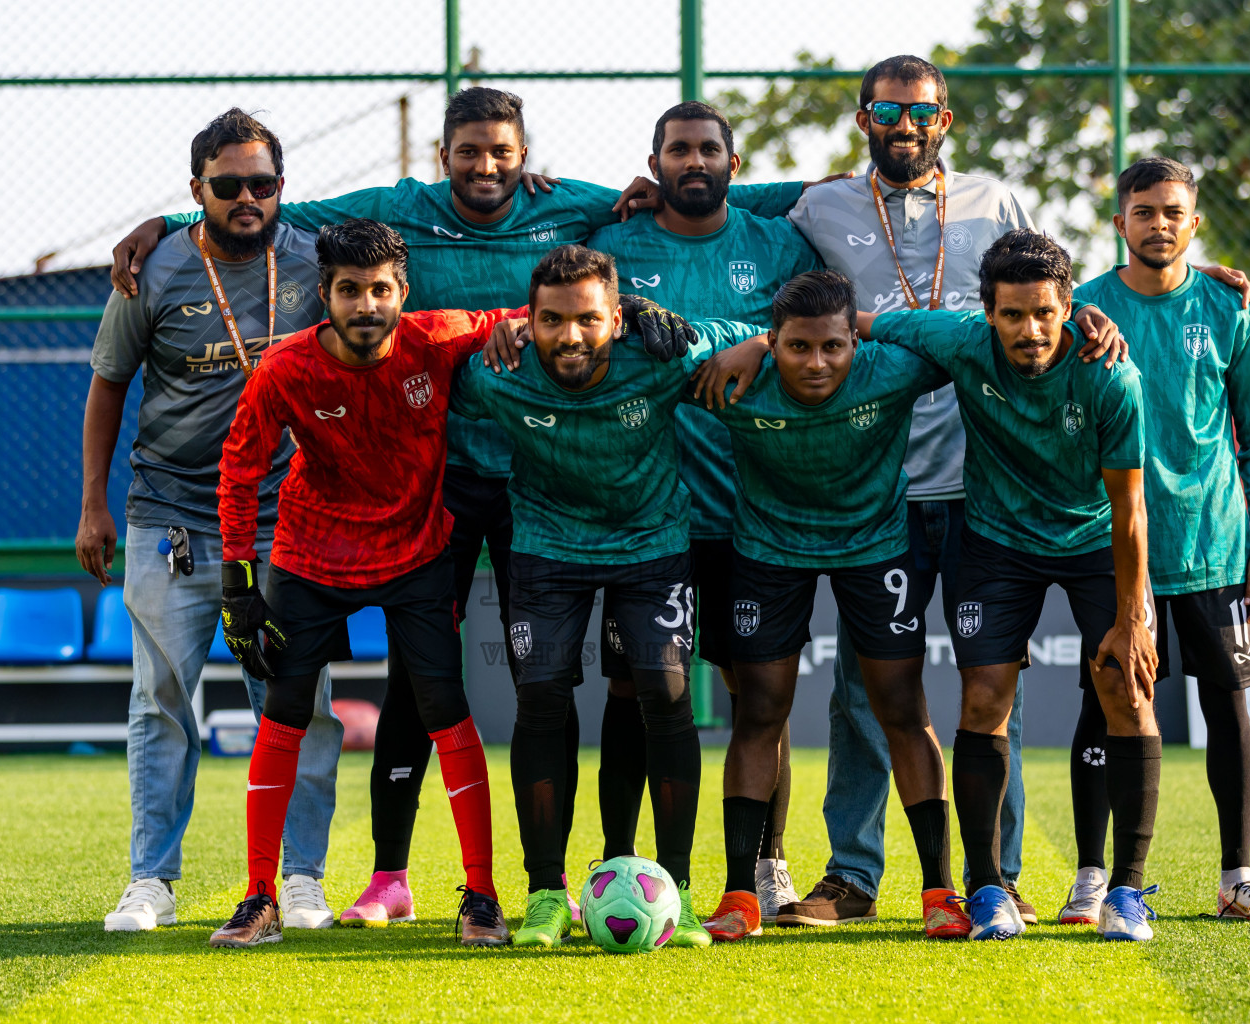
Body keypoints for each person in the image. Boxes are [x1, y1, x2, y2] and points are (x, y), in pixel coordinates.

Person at [108, 88, 817, 925]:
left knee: (549, 687)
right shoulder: (395, 213)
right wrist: (162, 219)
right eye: (469, 152)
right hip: (436, 490)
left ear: (524, 157)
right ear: (442, 157)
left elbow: (709, 194)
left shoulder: (574, 209)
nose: (485, 166)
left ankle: (557, 884)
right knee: (415, 685)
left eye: (501, 153)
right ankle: (386, 876)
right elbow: (267, 204)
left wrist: (817, 193)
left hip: (532, 477)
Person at [781, 53, 1250, 928]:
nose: (905, 127)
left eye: (921, 113)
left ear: (945, 122)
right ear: (863, 121)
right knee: (864, 687)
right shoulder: (819, 204)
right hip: (878, 486)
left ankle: (999, 877)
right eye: (887, 112)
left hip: (981, 491)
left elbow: (1070, 275)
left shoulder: (997, 203)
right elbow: (724, 199)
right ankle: (852, 877)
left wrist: (1209, 275)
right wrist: (624, 195)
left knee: (989, 693)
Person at [206, 219, 521, 948]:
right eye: (350, 291)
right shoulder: (285, 368)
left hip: (415, 556)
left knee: (446, 706)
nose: (366, 305)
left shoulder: (437, 337)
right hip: (311, 556)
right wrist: (237, 583)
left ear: (402, 293)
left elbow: (536, 316)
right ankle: (259, 898)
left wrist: (630, 312)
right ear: (326, 295)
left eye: (381, 290)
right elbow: (239, 470)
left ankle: (482, 896)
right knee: (285, 712)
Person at [77, 109, 342, 934]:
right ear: (198, 191)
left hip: (287, 521)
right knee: (160, 699)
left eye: (262, 184)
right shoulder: (150, 270)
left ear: (281, 189)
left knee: (300, 699)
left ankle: (300, 878)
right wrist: (93, 504)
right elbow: (109, 386)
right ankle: (150, 880)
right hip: (173, 517)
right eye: (227, 185)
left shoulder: (314, 260)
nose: (247, 198)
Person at [450, 244, 756, 949]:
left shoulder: (662, 355)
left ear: (617, 320)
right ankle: (546, 895)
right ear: (529, 320)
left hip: (651, 548)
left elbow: (748, 334)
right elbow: (432, 366)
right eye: (551, 320)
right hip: (548, 550)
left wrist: (737, 333)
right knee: (543, 698)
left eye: (588, 319)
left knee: (666, 692)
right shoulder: (498, 373)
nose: (570, 336)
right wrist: (487, 328)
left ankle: (671, 889)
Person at [863, 228, 1162, 942]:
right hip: (996, 542)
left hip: (1093, 539)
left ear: (1070, 308)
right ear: (987, 313)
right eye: (1013, 315)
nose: (1030, 331)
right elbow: (859, 321)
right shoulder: (961, 340)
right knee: (984, 698)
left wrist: (1130, 618)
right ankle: (989, 887)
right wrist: (753, 342)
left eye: (1046, 313)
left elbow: (1130, 509)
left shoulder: (1110, 375)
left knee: (1128, 688)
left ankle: (1125, 892)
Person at [583, 101, 822, 920]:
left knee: (759, 695)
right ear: (654, 163)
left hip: (750, 507)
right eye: (678, 150)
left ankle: (767, 865)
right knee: (631, 691)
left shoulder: (777, 244)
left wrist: (758, 340)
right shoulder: (616, 246)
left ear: (731, 158)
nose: (695, 161)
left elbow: (820, 327)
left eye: (708, 149)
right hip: (648, 514)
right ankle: (616, 867)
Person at [686, 269, 970, 941]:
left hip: (874, 548)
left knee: (903, 709)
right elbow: (674, 339)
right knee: (758, 712)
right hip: (767, 550)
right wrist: (746, 341)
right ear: (774, 343)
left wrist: (867, 324)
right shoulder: (734, 379)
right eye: (797, 347)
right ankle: (739, 896)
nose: (817, 364)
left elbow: (962, 334)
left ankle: (940, 891)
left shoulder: (892, 369)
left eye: (833, 347)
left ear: (854, 343)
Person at [1064, 157, 1250, 925]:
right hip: (1115, 549)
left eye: (1173, 212)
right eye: (1144, 211)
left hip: (1214, 546)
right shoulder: (1082, 310)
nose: (1158, 224)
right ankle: (1092, 878)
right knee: (1105, 709)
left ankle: (1237, 877)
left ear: (1193, 223)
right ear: (1119, 221)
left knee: (1227, 709)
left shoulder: (1230, 312)